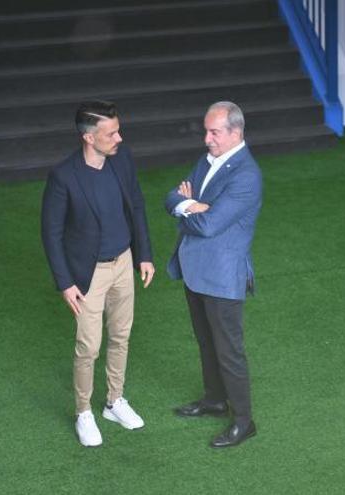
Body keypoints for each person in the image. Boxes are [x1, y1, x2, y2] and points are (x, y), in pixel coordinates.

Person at [41, 100, 155, 447]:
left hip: (123, 264)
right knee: (88, 347)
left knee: (121, 336)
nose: (119, 137)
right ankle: (84, 412)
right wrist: (65, 283)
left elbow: (136, 203)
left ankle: (113, 401)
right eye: (111, 133)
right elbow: (51, 233)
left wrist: (143, 255)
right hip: (88, 274)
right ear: (89, 138)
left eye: (118, 130)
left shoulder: (122, 160)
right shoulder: (64, 176)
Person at [165, 101, 263, 448]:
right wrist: (190, 204)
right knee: (206, 341)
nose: (206, 138)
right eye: (207, 131)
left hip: (222, 277)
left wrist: (189, 208)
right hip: (195, 271)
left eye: (214, 132)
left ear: (236, 133)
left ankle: (243, 421)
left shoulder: (246, 175)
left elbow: (208, 226)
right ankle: (214, 400)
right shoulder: (207, 161)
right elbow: (171, 196)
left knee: (228, 350)